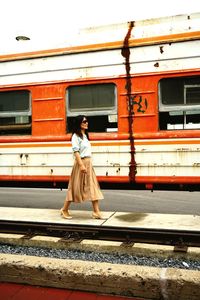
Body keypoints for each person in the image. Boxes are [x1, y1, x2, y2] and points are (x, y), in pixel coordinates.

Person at [60, 115, 104, 219]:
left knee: (93, 186)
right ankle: (64, 209)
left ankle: (96, 212)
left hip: (88, 163)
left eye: (87, 121)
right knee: (75, 187)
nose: (86, 123)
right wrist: (81, 165)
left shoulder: (85, 136)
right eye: (84, 121)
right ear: (79, 123)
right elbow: (76, 152)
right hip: (81, 163)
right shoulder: (75, 136)